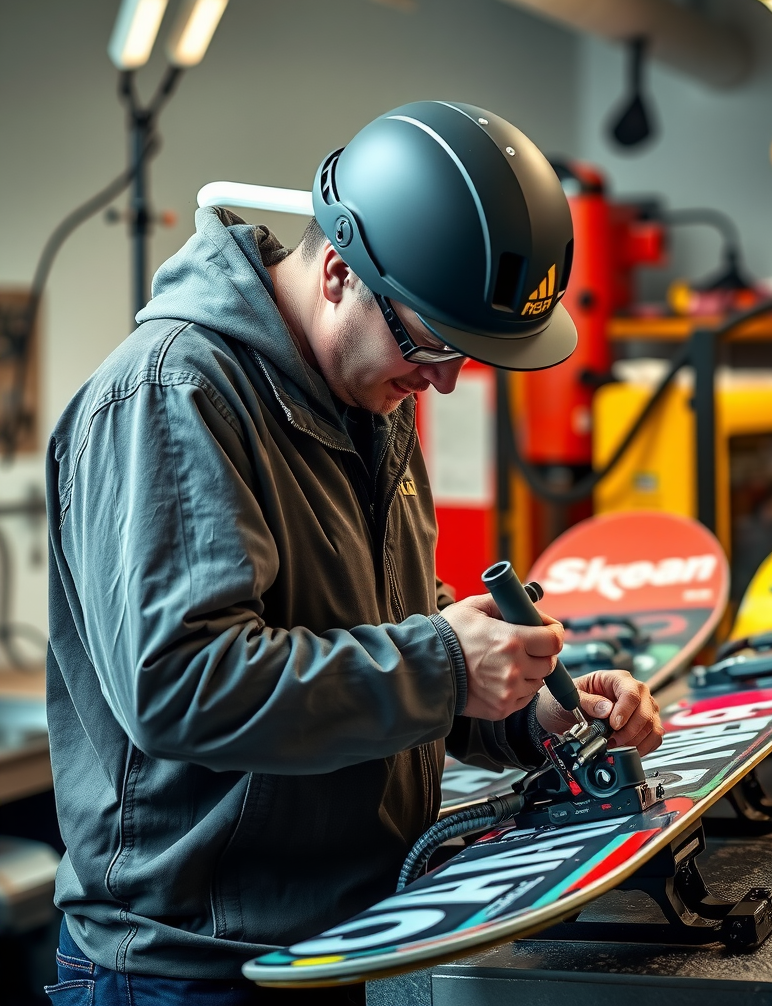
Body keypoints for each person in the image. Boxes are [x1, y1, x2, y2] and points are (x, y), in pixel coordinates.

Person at [44, 102, 662, 1005]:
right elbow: (181, 685)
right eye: (434, 343)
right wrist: (447, 664)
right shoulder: (173, 395)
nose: (446, 379)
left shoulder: (369, 392)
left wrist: (528, 711)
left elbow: (370, 635)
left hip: (346, 936)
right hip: (195, 969)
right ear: (338, 272)